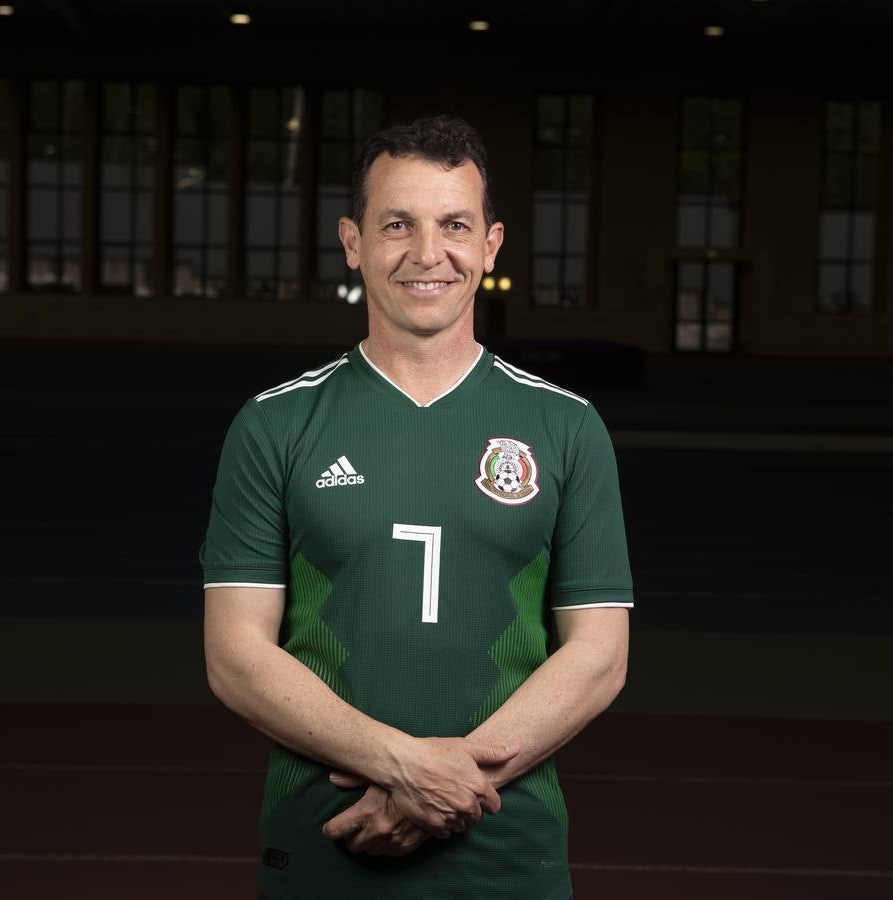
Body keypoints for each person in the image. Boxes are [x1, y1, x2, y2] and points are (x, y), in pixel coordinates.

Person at [200, 114, 632, 900]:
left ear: (492, 245)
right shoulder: (275, 425)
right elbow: (235, 658)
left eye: (455, 225)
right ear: (353, 241)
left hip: (509, 853)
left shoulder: (565, 427)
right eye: (397, 224)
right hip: (325, 842)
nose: (427, 254)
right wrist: (404, 767)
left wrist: (446, 789)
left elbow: (600, 656)